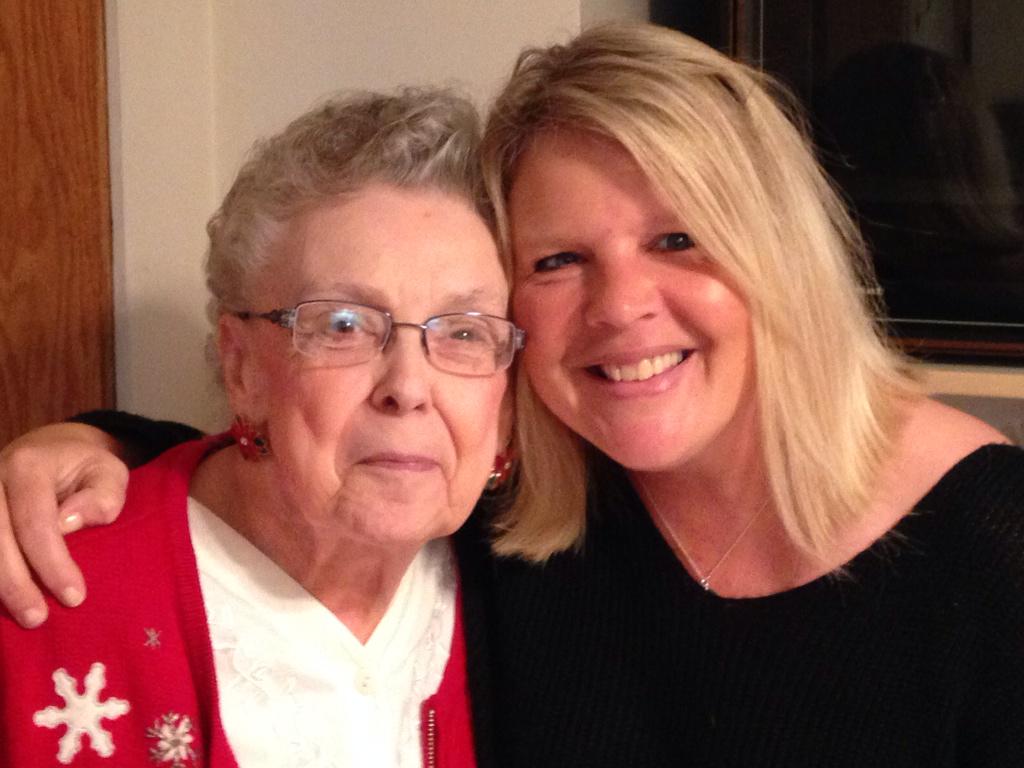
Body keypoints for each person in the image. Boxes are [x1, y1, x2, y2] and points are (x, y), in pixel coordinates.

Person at [2, 22, 1023, 767]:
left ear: (778, 252)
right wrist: (91, 444)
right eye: (559, 259)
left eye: (678, 238)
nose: (622, 306)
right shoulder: (529, 512)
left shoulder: (992, 559)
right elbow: (303, 464)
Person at [0, 86, 526, 767]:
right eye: (343, 325)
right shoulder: (45, 593)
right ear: (241, 366)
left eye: (464, 332)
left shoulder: (534, 594)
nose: (408, 388)